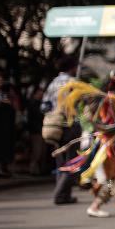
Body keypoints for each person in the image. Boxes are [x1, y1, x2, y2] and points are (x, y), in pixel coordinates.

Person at [45, 56, 80, 204]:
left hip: (55, 126)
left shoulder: (52, 83)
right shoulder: (73, 82)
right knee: (71, 162)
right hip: (70, 124)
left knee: (61, 162)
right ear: (72, 67)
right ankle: (59, 193)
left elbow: (44, 105)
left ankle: (64, 196)